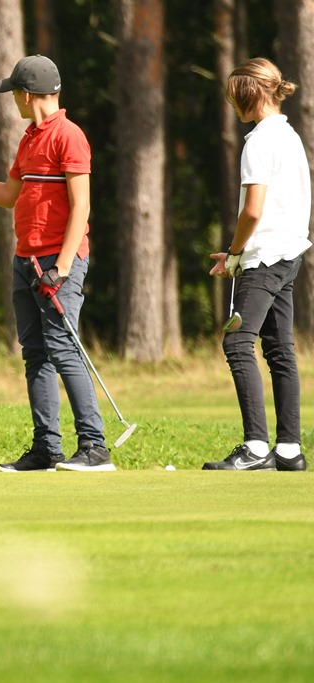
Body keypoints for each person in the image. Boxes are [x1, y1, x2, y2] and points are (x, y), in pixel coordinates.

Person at [0, 54, 114, 472]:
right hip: (26, 259)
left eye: (14, 92)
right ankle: (47, 449)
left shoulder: (69, 136)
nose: (12, 99)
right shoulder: (29, 137)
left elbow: (82, 207)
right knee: (35, 353)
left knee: (65, 350)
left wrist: (62, 267)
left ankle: (94, 447)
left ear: (27, 95)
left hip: (57, 262)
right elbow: (10, 195)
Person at [204, 58, 311, 472]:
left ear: (246, 94)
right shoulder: (289, 136)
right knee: (280, 350)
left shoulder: (259, 141)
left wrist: (234, 254)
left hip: (263, 258)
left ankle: (254, 447)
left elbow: (252, 212)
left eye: (234, 94)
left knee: (236, 342)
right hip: (289, 255)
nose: (232, 102)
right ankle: (288, 449)